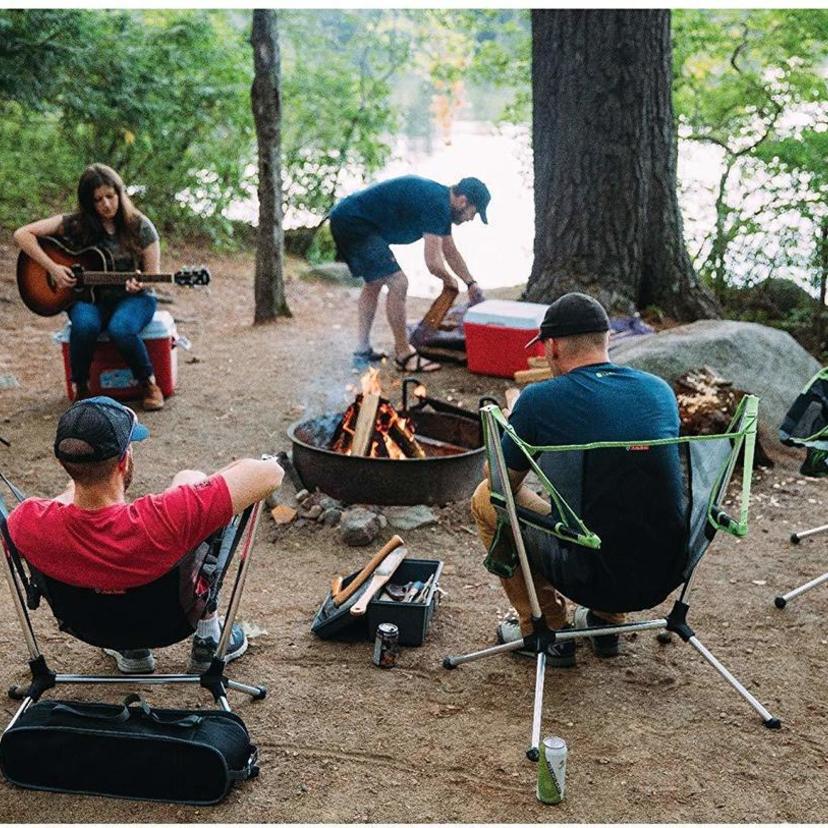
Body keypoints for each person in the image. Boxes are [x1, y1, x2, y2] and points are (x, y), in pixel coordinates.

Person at [470, 293, 682, 666]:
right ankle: (607, 622)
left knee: (485, 497)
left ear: (551, 347)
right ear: (607, 339)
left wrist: (515, 427)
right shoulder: (659, 391)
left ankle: (549, 630)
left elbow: (503, 485)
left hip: (588, 569)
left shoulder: (540, 400)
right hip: (662, 568)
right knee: (613, 501)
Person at [5, 396, 284, 675]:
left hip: (89, 627)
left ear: (63, 462)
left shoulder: (27, 521)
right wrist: (194, 490)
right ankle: (208, 639)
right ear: (124, 461)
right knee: (190, 477)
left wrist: (77, 487)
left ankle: (131, 650)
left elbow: (66, 505)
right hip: (170, 625)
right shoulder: (167, 516)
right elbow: (270, 472)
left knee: (187, 479)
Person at [14, 163, 166, 411]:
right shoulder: (75, 224)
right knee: (84, 326)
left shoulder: (140, 226)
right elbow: (22, 234)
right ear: (88, 202)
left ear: (120, 193)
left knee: (121, 328)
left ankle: (148, 383)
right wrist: (53, 268)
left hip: (134, 298)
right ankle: (82, 387)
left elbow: (152, 274)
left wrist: (140, 283)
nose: (106, 204)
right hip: (88, 298)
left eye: (110, 196)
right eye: (98, 199)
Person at [329, 174, 490, 372]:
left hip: (349, 217)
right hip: (353, 221)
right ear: (463, 201)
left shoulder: (440, 202)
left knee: (375, 282)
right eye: (472, 213)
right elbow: (432, 262)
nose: (470, 219)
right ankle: (404, 354)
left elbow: (450, 252)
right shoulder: (437, 204)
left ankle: (362, 350)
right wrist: (449, 280)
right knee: (398, 282)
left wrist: (470, 282)